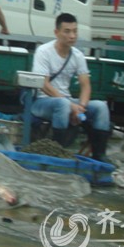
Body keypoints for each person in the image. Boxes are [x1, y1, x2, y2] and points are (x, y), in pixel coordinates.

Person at [30, 13, 111, 161]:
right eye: (67, 31)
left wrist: (81, 106)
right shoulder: (43, 51)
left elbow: (85, 85)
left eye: (75, 31)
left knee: (101, 107)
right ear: (57, 32)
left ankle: (100, 157)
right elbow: (44, 84)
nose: (72, 36)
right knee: (62, 104)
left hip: (67, 102)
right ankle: (57, 154)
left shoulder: (77, 55)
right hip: (43, 102)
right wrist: (70, 105)